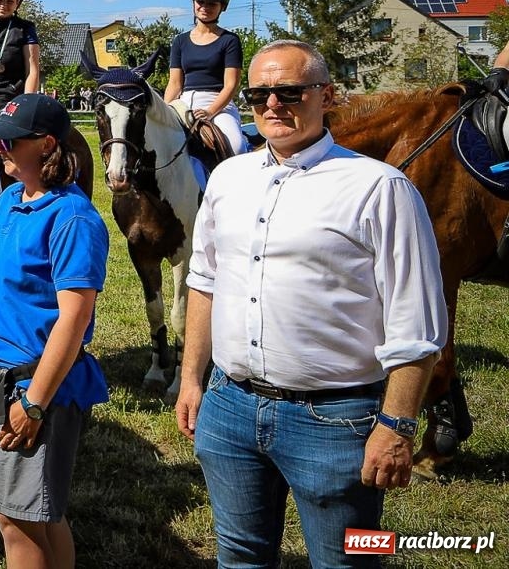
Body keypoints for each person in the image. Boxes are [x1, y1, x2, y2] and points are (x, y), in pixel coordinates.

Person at [175, 40, 448, 569]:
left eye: (289, 92)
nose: (272, 105)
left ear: (327, 95)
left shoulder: (379, 187)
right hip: (229, 407)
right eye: (259, 94)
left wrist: (397, 426)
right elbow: (205, 281)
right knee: (240, 556)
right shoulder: (228, 177)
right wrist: (191, 379)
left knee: (344, 561)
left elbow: (417, 323)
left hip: (335, 419)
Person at [0, 93, 109, 569]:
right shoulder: (11, 199)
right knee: (39, 514)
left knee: (19, 520)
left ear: (47, 144)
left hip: (32, 386)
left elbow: (74, 321)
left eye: (11, 141)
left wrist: (33, 402)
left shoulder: (72, 218)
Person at [163, 0, 246, 158]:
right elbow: (175, 83)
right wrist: (165, 108)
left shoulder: (230, 40)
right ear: (193, 3)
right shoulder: (180, 41)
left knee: (237, 145)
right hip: (184, 102)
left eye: (212, 4)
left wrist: (210, 111)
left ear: (222, 7)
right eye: (200, 2)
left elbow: (231, 85)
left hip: (218, 103)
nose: (205, 7)